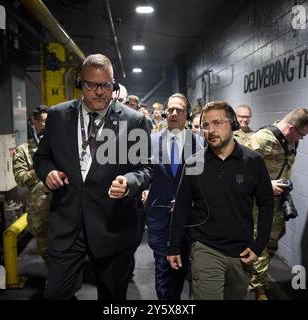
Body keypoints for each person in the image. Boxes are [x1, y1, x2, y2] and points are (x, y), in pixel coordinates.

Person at [33, 54, 152, 300]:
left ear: (113, 84)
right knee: (56, 294)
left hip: (113, 226)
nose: (99, 92)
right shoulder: (58, 115)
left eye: (106, 85)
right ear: (80, 83)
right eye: (91, 85)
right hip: (67, 225)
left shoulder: (134, 121)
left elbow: (146, 168)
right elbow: (42, 158)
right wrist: (48, 172)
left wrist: (129, 182)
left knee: (112, 298)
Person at [167, 100, 274, 300]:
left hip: (242, 252)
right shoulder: (193, 164)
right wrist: (173, 245)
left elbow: (266, 203)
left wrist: (259, 244)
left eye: (217, 123)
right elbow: (181, 207)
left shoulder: (253, 162)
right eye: (206, 125)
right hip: (205, 249)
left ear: (233, 125)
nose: (211, 130)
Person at [245, 108, 308, 300]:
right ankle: (258, 288)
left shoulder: (292, 141)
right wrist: (266, 185)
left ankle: (254, 275)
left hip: (277, 203)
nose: (302, 139)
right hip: (257, 203)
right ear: (291, 128)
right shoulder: (260, 140)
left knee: (272, 242)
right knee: (260, 244)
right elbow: (239, 174)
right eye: (301, 134)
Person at [142, 93, 203, 300]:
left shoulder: (200, 144)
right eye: (171, 110)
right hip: (159, 217)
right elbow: (143, 171)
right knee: (163, 268)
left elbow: (204, 181)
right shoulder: (151, 141)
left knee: (181, 267)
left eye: (180, 110)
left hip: (188, 220)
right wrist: (144, 188)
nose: (174, 113)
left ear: (187, 114)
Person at [13, 105, 51, 264]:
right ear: (34, 123)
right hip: (39, 209)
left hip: (62, 207)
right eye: (43, 121)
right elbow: (20, 178)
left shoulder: (62, 147)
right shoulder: (23, 150)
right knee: (46, 250)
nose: (47, 125)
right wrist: (41, 167)